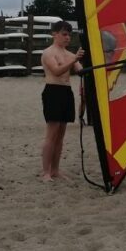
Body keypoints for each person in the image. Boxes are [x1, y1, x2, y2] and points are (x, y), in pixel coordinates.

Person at [39, 21, 85, 181]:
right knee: (51, 135)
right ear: (54, 34)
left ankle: (55, 170)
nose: (67, 38)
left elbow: (81, 71)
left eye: (69, 35)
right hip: (53, 91)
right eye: (64, 34)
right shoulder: (48, 52)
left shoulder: (71, 55)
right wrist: (74, 60)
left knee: (60, 136)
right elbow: (56, 71)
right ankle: (45, 172)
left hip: (66, 92)